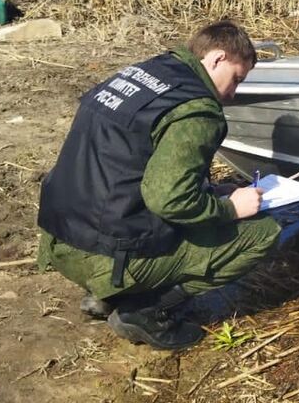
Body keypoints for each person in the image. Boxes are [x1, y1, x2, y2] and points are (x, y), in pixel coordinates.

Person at [36, 20, 280, 350]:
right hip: (106, 257)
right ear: (217, 58)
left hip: (60, 236)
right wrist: (229, 208)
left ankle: (104, 294)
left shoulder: (143, 74)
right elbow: (169, 200)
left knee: (191, 209)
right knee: (263, 232)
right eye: (236, 79)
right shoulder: (198, 110)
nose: (233, 93)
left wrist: (208, 190)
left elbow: (127, 166)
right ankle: (145, 310)